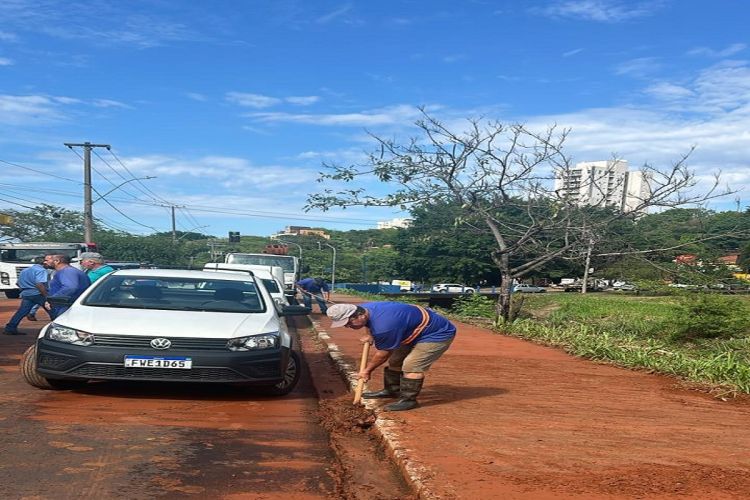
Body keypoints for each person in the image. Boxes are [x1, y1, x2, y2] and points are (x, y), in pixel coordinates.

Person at [327, 301, 456, 411]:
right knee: (395, 361)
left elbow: (383, 354)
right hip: (409, 330)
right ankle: (392, 390)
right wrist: (370, 335)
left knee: (411, 365)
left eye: (349, 323)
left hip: (436, 333)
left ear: (359, 314)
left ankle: (409, 400)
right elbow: (368, 323)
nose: (347, 326)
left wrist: (367, 371)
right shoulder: (365, 309)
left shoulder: (385, 327)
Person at [3, 257, 49, 335]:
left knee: (21, 312)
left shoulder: (25, 270)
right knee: (53, 310)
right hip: (38, 293)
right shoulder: (42, 270)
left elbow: (17, 283)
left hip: (26, 294)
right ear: (44, 263)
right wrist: (46, 296)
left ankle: (10, 328)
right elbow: (39, 284)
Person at [44, 254, 91, 319]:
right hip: (67, 306)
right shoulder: (67, 271)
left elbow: (70, 287)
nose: (45, 262)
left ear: (57, 261)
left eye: (47, 260)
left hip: (67, 307)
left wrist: (53, 299)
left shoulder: (67, 271)